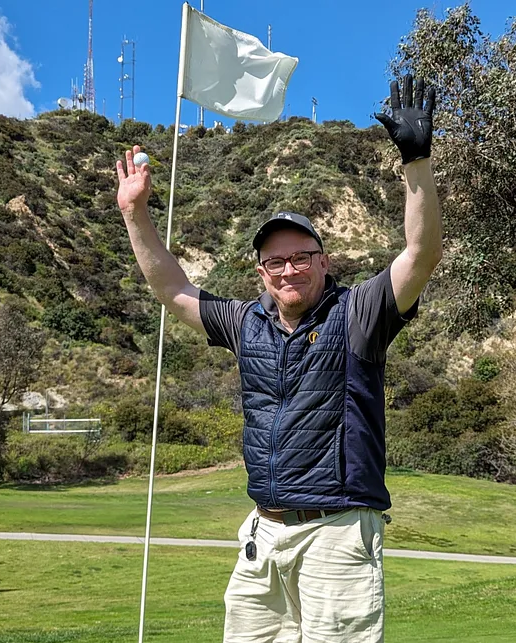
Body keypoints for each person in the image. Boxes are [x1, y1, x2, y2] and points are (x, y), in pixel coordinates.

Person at [115, 75, 441, 642]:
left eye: (301, 257)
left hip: (337, 533)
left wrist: (416, 161)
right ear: (260, 272)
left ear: (324, 260)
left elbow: (421, 253)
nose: (289, 269)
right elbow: (173, 291)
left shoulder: (359, 312)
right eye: (276, 261)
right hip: (263, 532)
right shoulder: (247, 323)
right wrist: (134, 213)